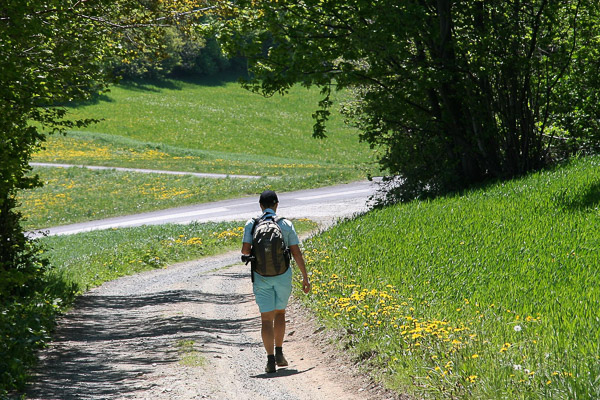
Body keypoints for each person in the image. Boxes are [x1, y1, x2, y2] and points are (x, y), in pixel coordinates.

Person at [241, 190, 311, 373]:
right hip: (282, 275)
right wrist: (305, 277)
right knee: (280, 313)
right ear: (276, 205)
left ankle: (270, 360)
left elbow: (245, 250)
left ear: (260, 206)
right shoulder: (285, 224)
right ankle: (280, 353)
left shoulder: (251, 223)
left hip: (261, 276)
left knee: (266, 319)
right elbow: (296, 252)